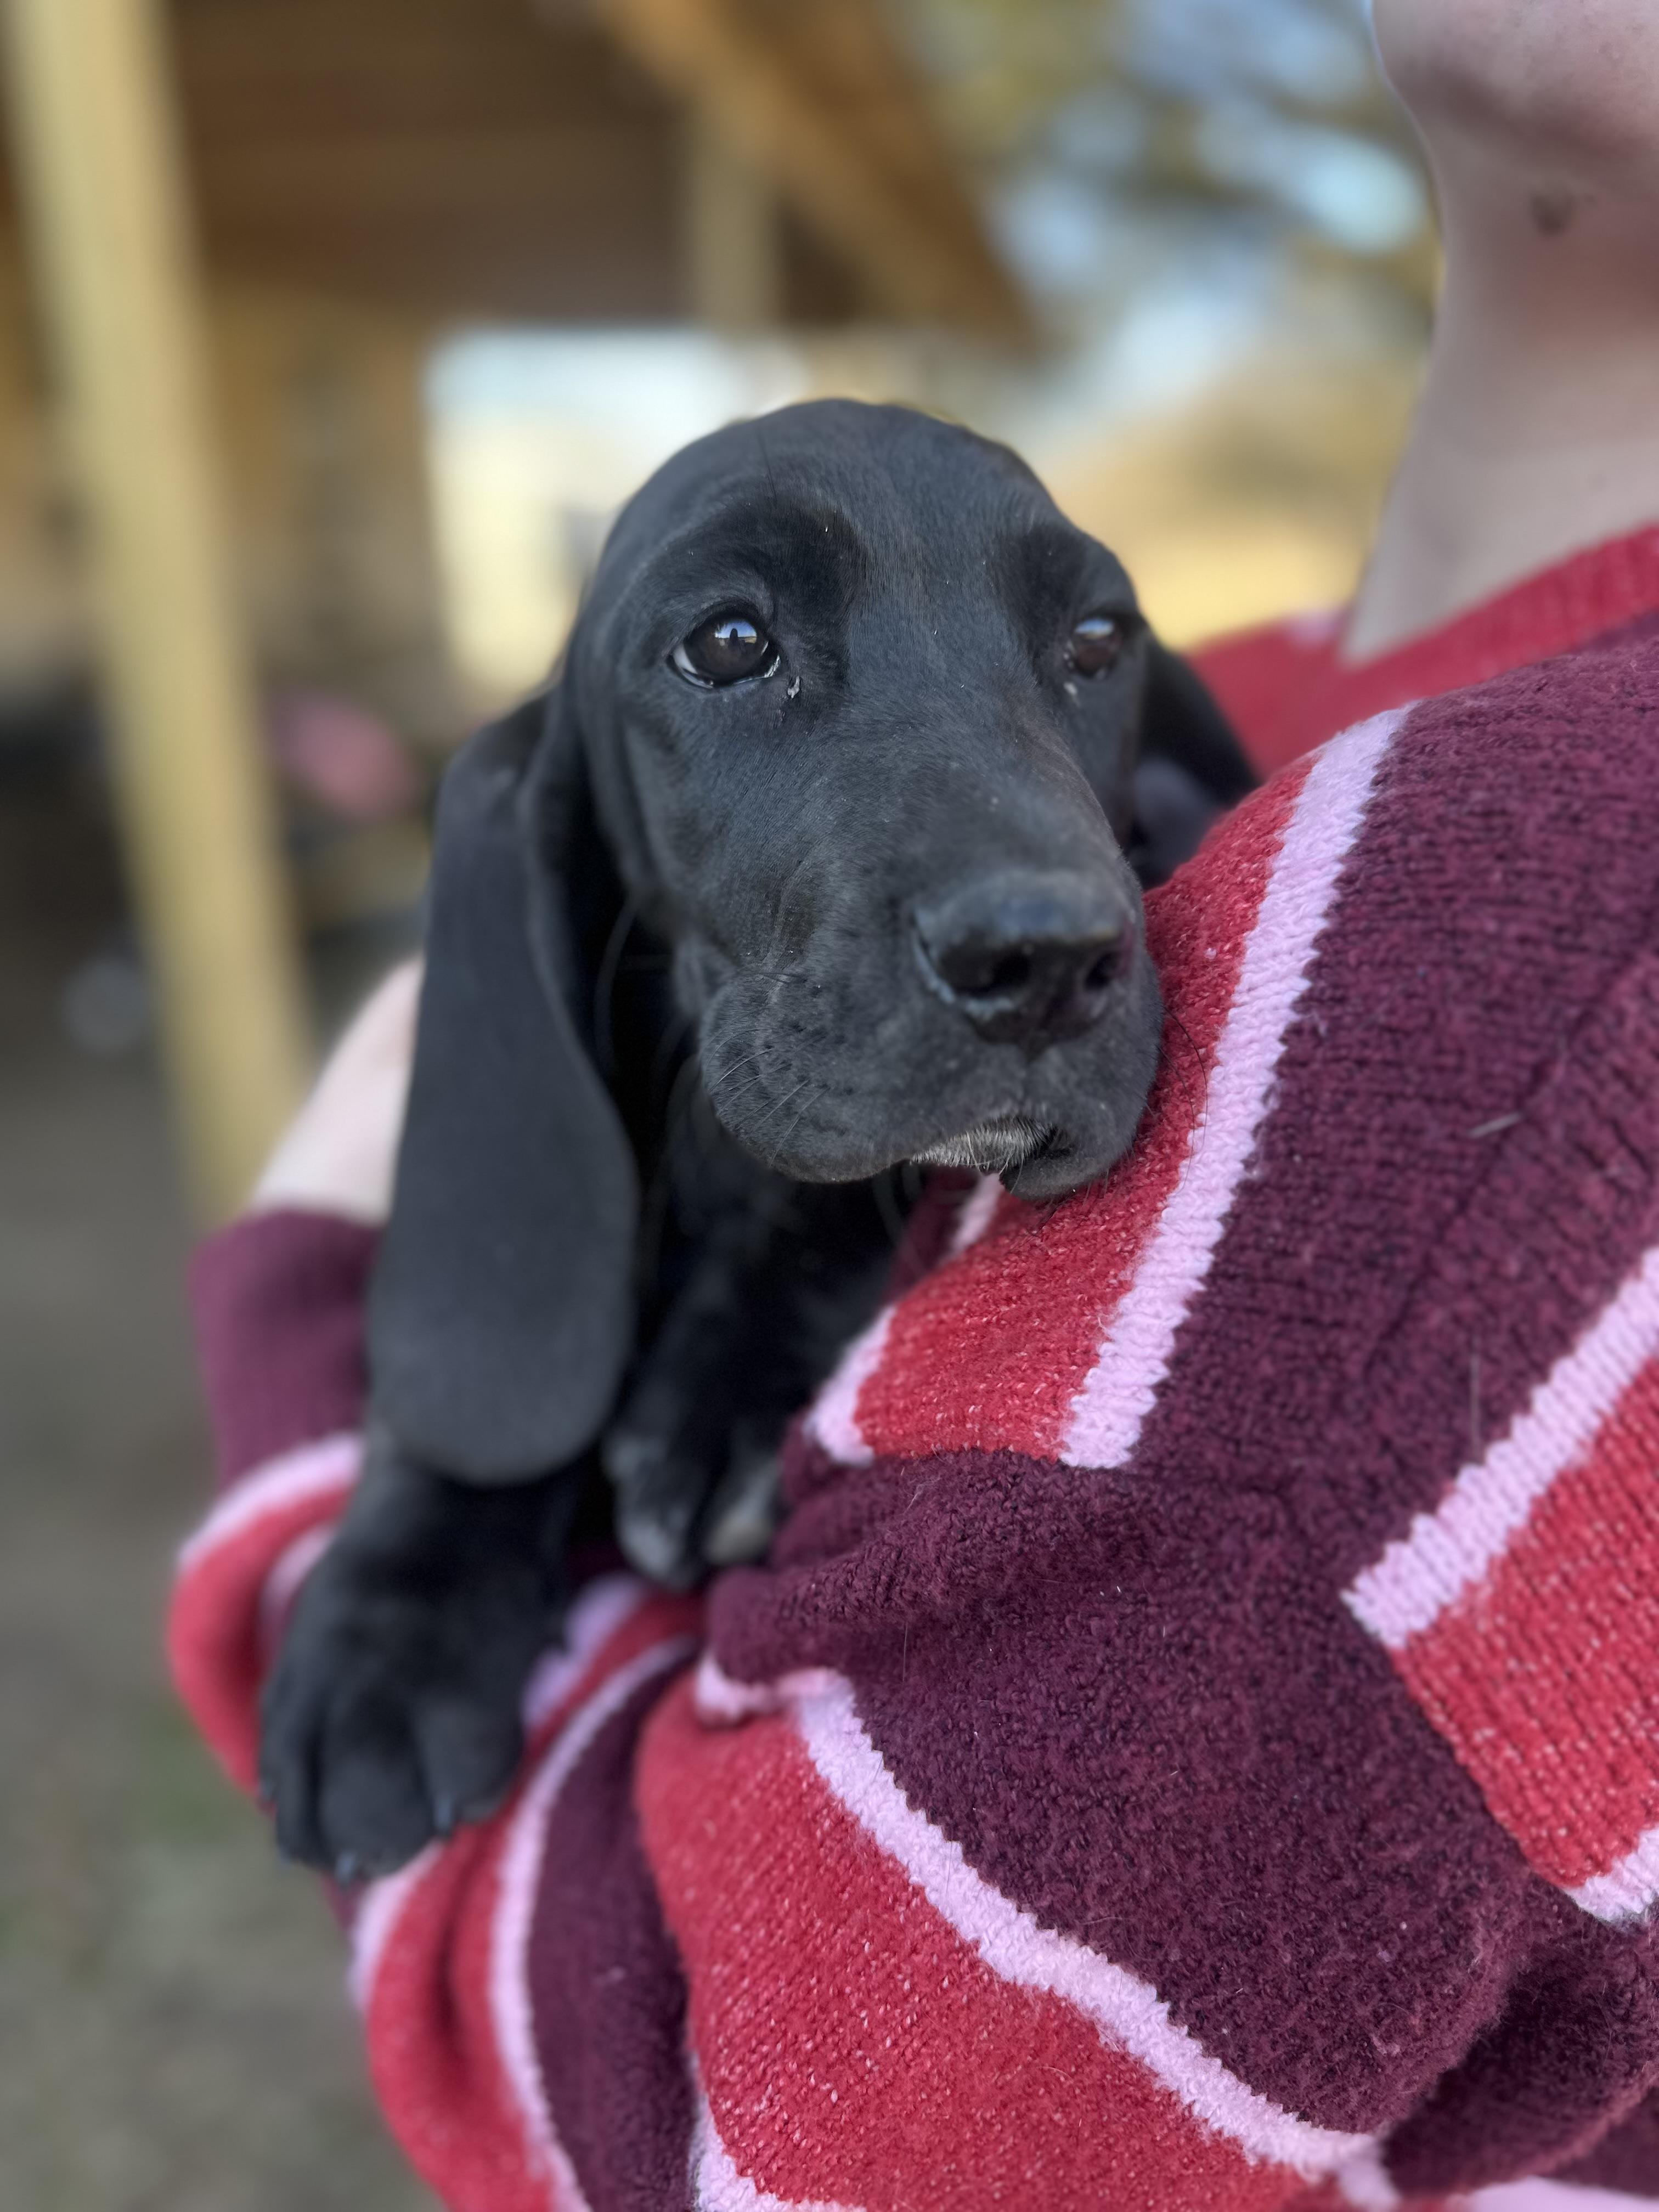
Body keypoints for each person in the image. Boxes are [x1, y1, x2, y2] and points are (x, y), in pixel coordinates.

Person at [168, 4, 1659, 2206]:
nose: (1043, 880)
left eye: (1062, 649)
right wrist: (455, 1504)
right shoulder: (1238, 729)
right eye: (741, 650)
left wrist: (320, 1345)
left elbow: (722, 2140)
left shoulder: (1537, 957)